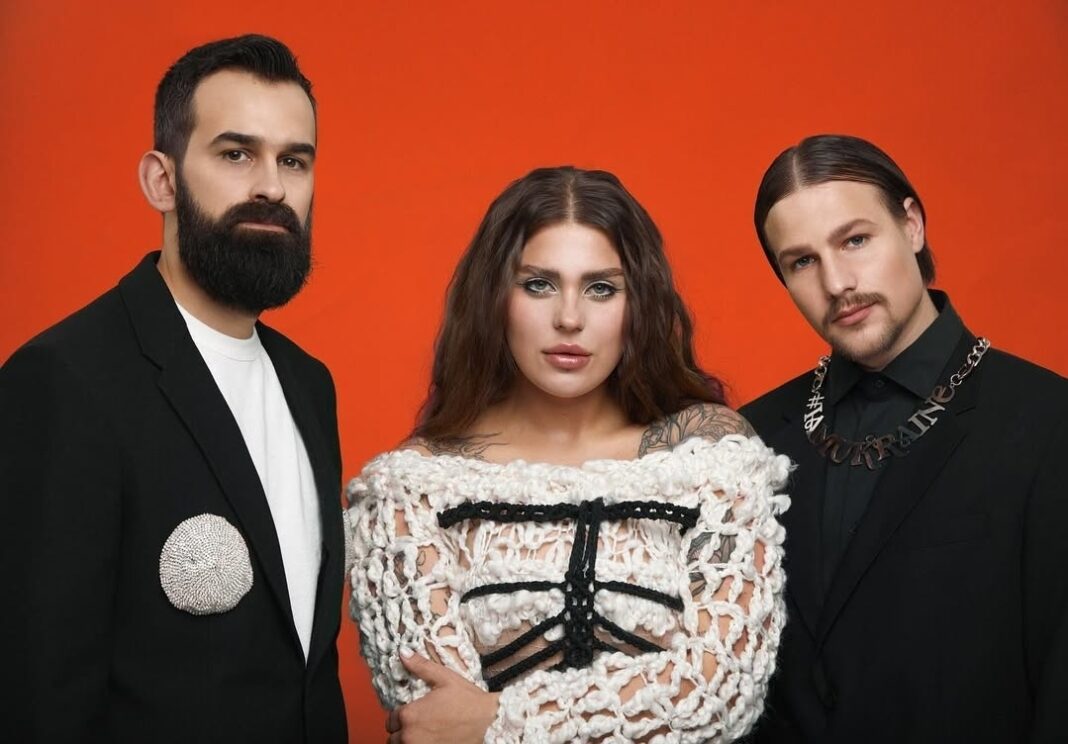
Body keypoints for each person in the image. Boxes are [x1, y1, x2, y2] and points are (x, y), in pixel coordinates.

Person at [347, 165, 791, 743]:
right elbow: (435, 724)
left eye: (601, 288)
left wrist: (498, 721)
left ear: (638, 303)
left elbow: (721, 693)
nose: (569, 319)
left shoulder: (710, 457)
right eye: (539, 284)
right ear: (494, 297)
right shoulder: (410, 488)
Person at [0, 35, 347, 741]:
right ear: (161, 180)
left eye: (294, 160)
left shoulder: (310, 385)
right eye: (236, 154)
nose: (272, 187)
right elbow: (37, 696)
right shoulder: (64, 381)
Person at [740, 134, 1068, 743]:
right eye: (802, 262)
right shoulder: (750, 439)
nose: (837, 282)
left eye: (854, 240)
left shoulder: (1049, 423)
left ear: (911, 225)